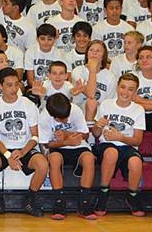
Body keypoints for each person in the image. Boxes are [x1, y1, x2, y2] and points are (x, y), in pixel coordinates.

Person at [0, 67, 47, 217]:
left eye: (16, 84)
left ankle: (30, 201)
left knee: (43, 164)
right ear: (0, 86)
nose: (14, 89)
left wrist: (23, 152)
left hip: (24, 148)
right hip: (3, 148)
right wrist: (8, 156)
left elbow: (35, 136)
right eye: (9, 85)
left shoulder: (28, 104)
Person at [89, 73, 147, 218]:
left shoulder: (138, 109)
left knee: (135, 162)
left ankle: (132, 195)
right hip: (106, 145)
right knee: (111, 153)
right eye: (123, 87)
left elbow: (138, 140)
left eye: (130, 89)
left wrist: (120, 137)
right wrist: (97, 125)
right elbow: (96, 134)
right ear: (117, 87)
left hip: (127, 146)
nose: (125, 92)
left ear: (135, 92)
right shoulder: (106, 104)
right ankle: (103, 194)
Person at [39, 91, 97, 220]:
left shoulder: (75, 110)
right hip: (58, 147)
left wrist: (67, 134)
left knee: (89, 158)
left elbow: (85, 134)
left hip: (78, 146)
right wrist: (65, 142)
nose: (65, 120)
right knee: (54, 159)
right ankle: (59, 202)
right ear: (53, 115)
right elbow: (46, 144)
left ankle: (85, 202)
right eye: (62, 119)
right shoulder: (44, 117)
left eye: (67, 117)